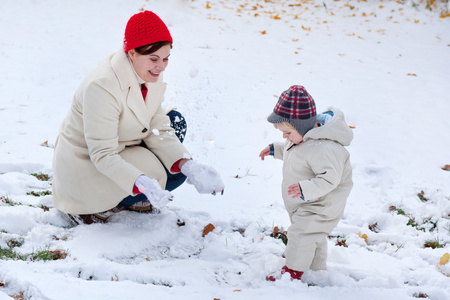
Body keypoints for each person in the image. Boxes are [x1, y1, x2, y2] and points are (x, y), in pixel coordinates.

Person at [52, 11, 224, 225]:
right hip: (87, 164)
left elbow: (156, 122)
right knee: (158, 176)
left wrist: (189, 166)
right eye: (154, 59)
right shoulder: (102, 86)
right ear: (132, 53)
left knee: (175, 136)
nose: (161, 67)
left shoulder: (148, 70)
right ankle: (90, 208)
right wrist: (140, 181)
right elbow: (103, 154)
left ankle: (131, 199)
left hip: (124, 144)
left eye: (166, 58)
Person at [259, 85, 353, 281]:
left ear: (301, 127)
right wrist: (276, 149)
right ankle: (315, 270)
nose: (285, 137)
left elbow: (330, 179)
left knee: (301, 233)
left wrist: (305, 188)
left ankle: (293, 271)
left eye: (287, 133)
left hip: (322, 205)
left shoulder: (324, 148)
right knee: (312, 236)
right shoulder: (302, 140)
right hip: (309, 203)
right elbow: (295, 154)